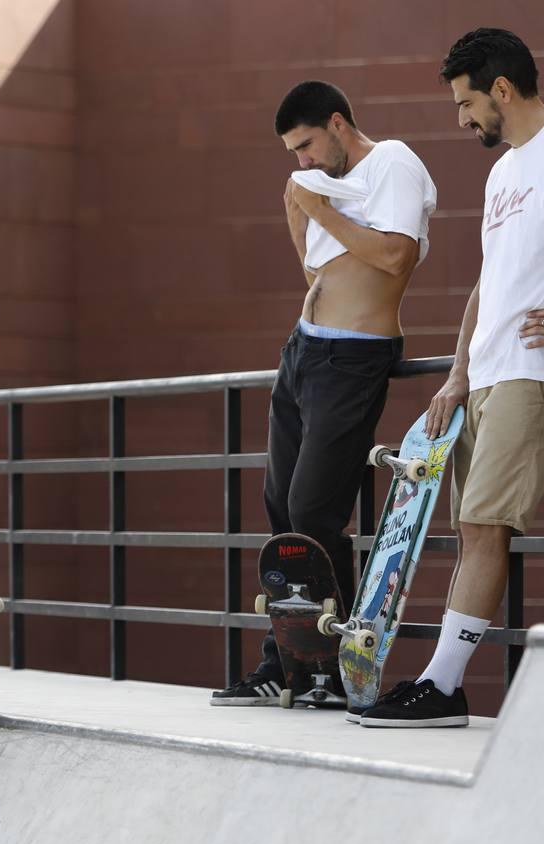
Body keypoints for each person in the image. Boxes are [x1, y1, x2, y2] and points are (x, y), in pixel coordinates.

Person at [362, 28, 544, 727]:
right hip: (492, 373)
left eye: (466, 103)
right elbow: (487, 283)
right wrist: (457, 374)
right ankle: (440, 683)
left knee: (483, 523)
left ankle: (443, 687)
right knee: (473, 530)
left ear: (501, 89)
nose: (462, 119)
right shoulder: (505, 172)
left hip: (538, 371)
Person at [212, 81, 437, 706]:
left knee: (314, 509)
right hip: (303, 351)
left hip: (354, 357)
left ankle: (343, 663)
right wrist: (303, 208)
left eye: (307, 146)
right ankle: (285, 666)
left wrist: (317, 209)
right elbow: (317, 267)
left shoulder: (391, 161)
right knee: (282, 510)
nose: (302, 163)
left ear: (338, 124)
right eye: (292, 152)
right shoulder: (313, 185)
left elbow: (395, 255)